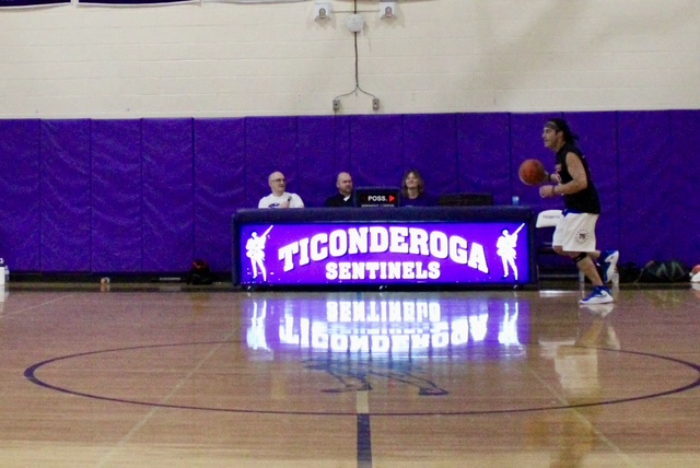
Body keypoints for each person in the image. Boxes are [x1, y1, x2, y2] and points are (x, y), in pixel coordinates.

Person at [538, 118, 619, 305]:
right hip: (573, 208)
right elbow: (566, 177)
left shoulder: (569, 153)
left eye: (548, 131)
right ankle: (603, 256)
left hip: (583, 207)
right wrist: (548, 178)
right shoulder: (561, 154)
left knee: (574, 249)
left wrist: (553, 190)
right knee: (560, 247)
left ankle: (601, 291)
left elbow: (581, 182)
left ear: (560, 134)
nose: (543, 135)